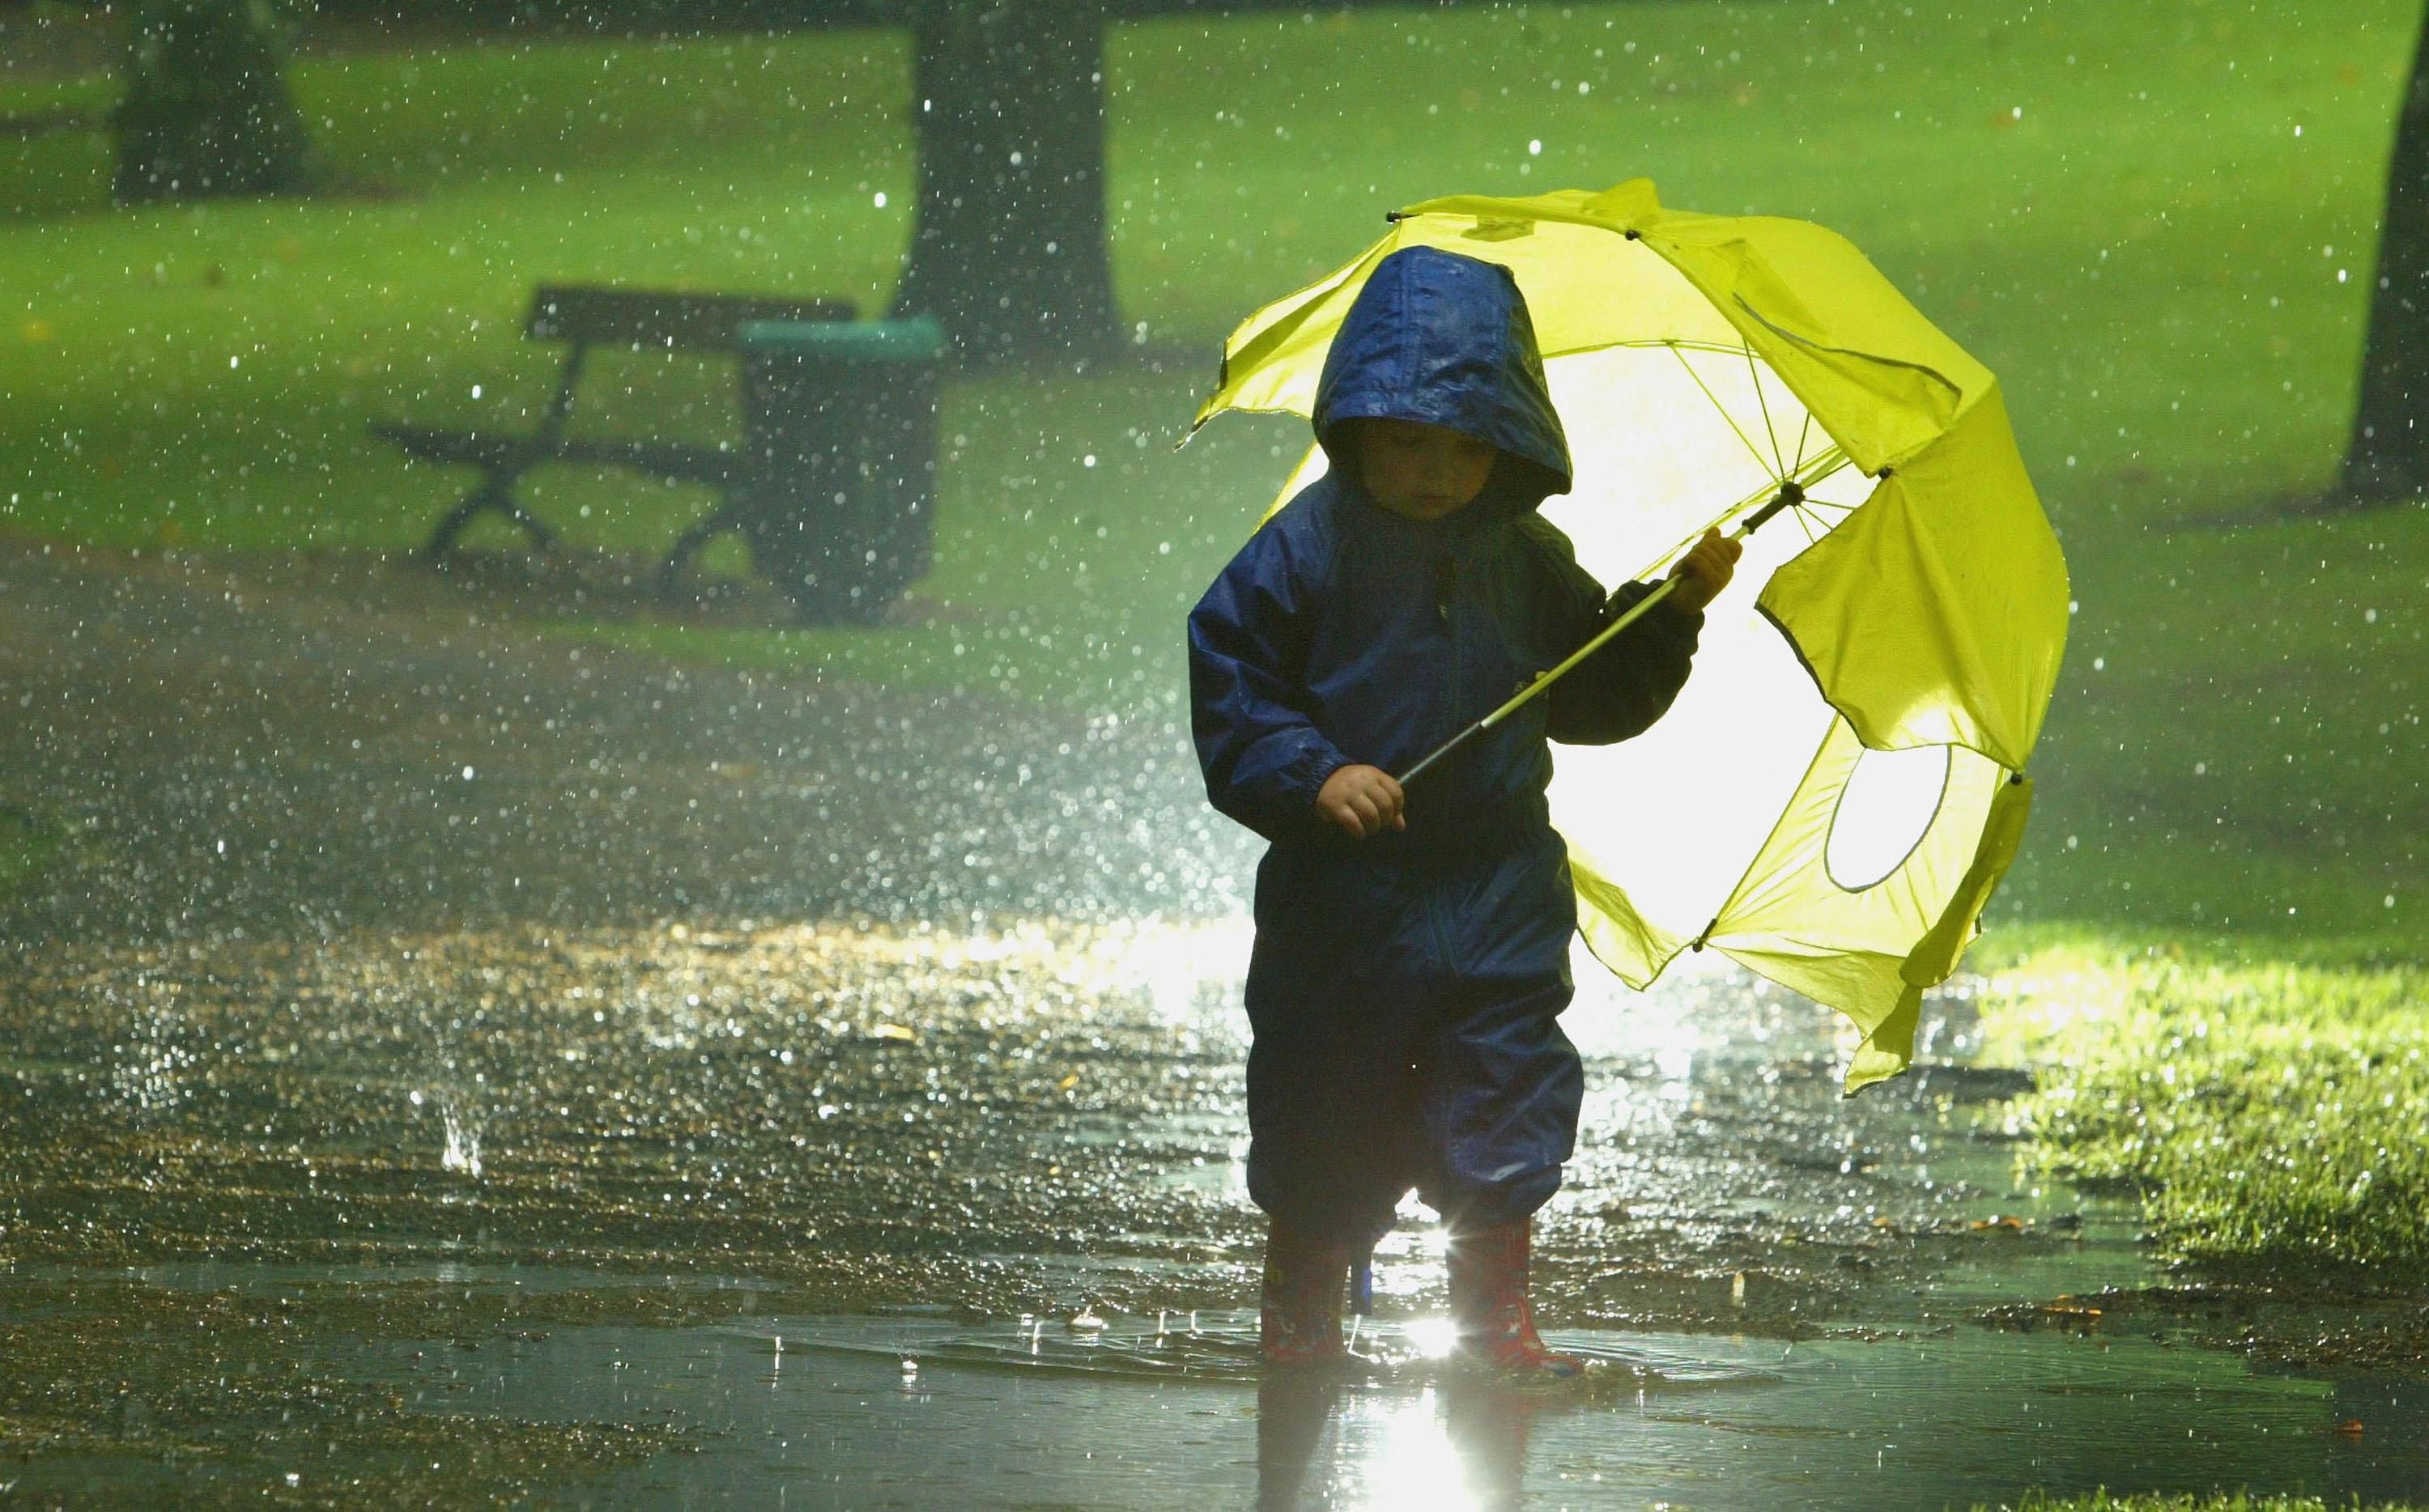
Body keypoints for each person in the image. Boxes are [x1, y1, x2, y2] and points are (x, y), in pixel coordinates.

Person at [1188, 244, 1740, 1378]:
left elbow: (1590, 692)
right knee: (1324, 1093)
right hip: (1345, 896)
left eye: (1464, 445)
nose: (1436, 472)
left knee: (1507, 1086)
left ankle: (1494, 1321)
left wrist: (1668, 613)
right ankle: (1301, 1315)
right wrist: (1313, 773)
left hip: (1496, 883)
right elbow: (1235, 680)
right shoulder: (1304, 552)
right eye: (1407, 442)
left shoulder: (1523, 556)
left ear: (1510, 441)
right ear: (1355, 429)